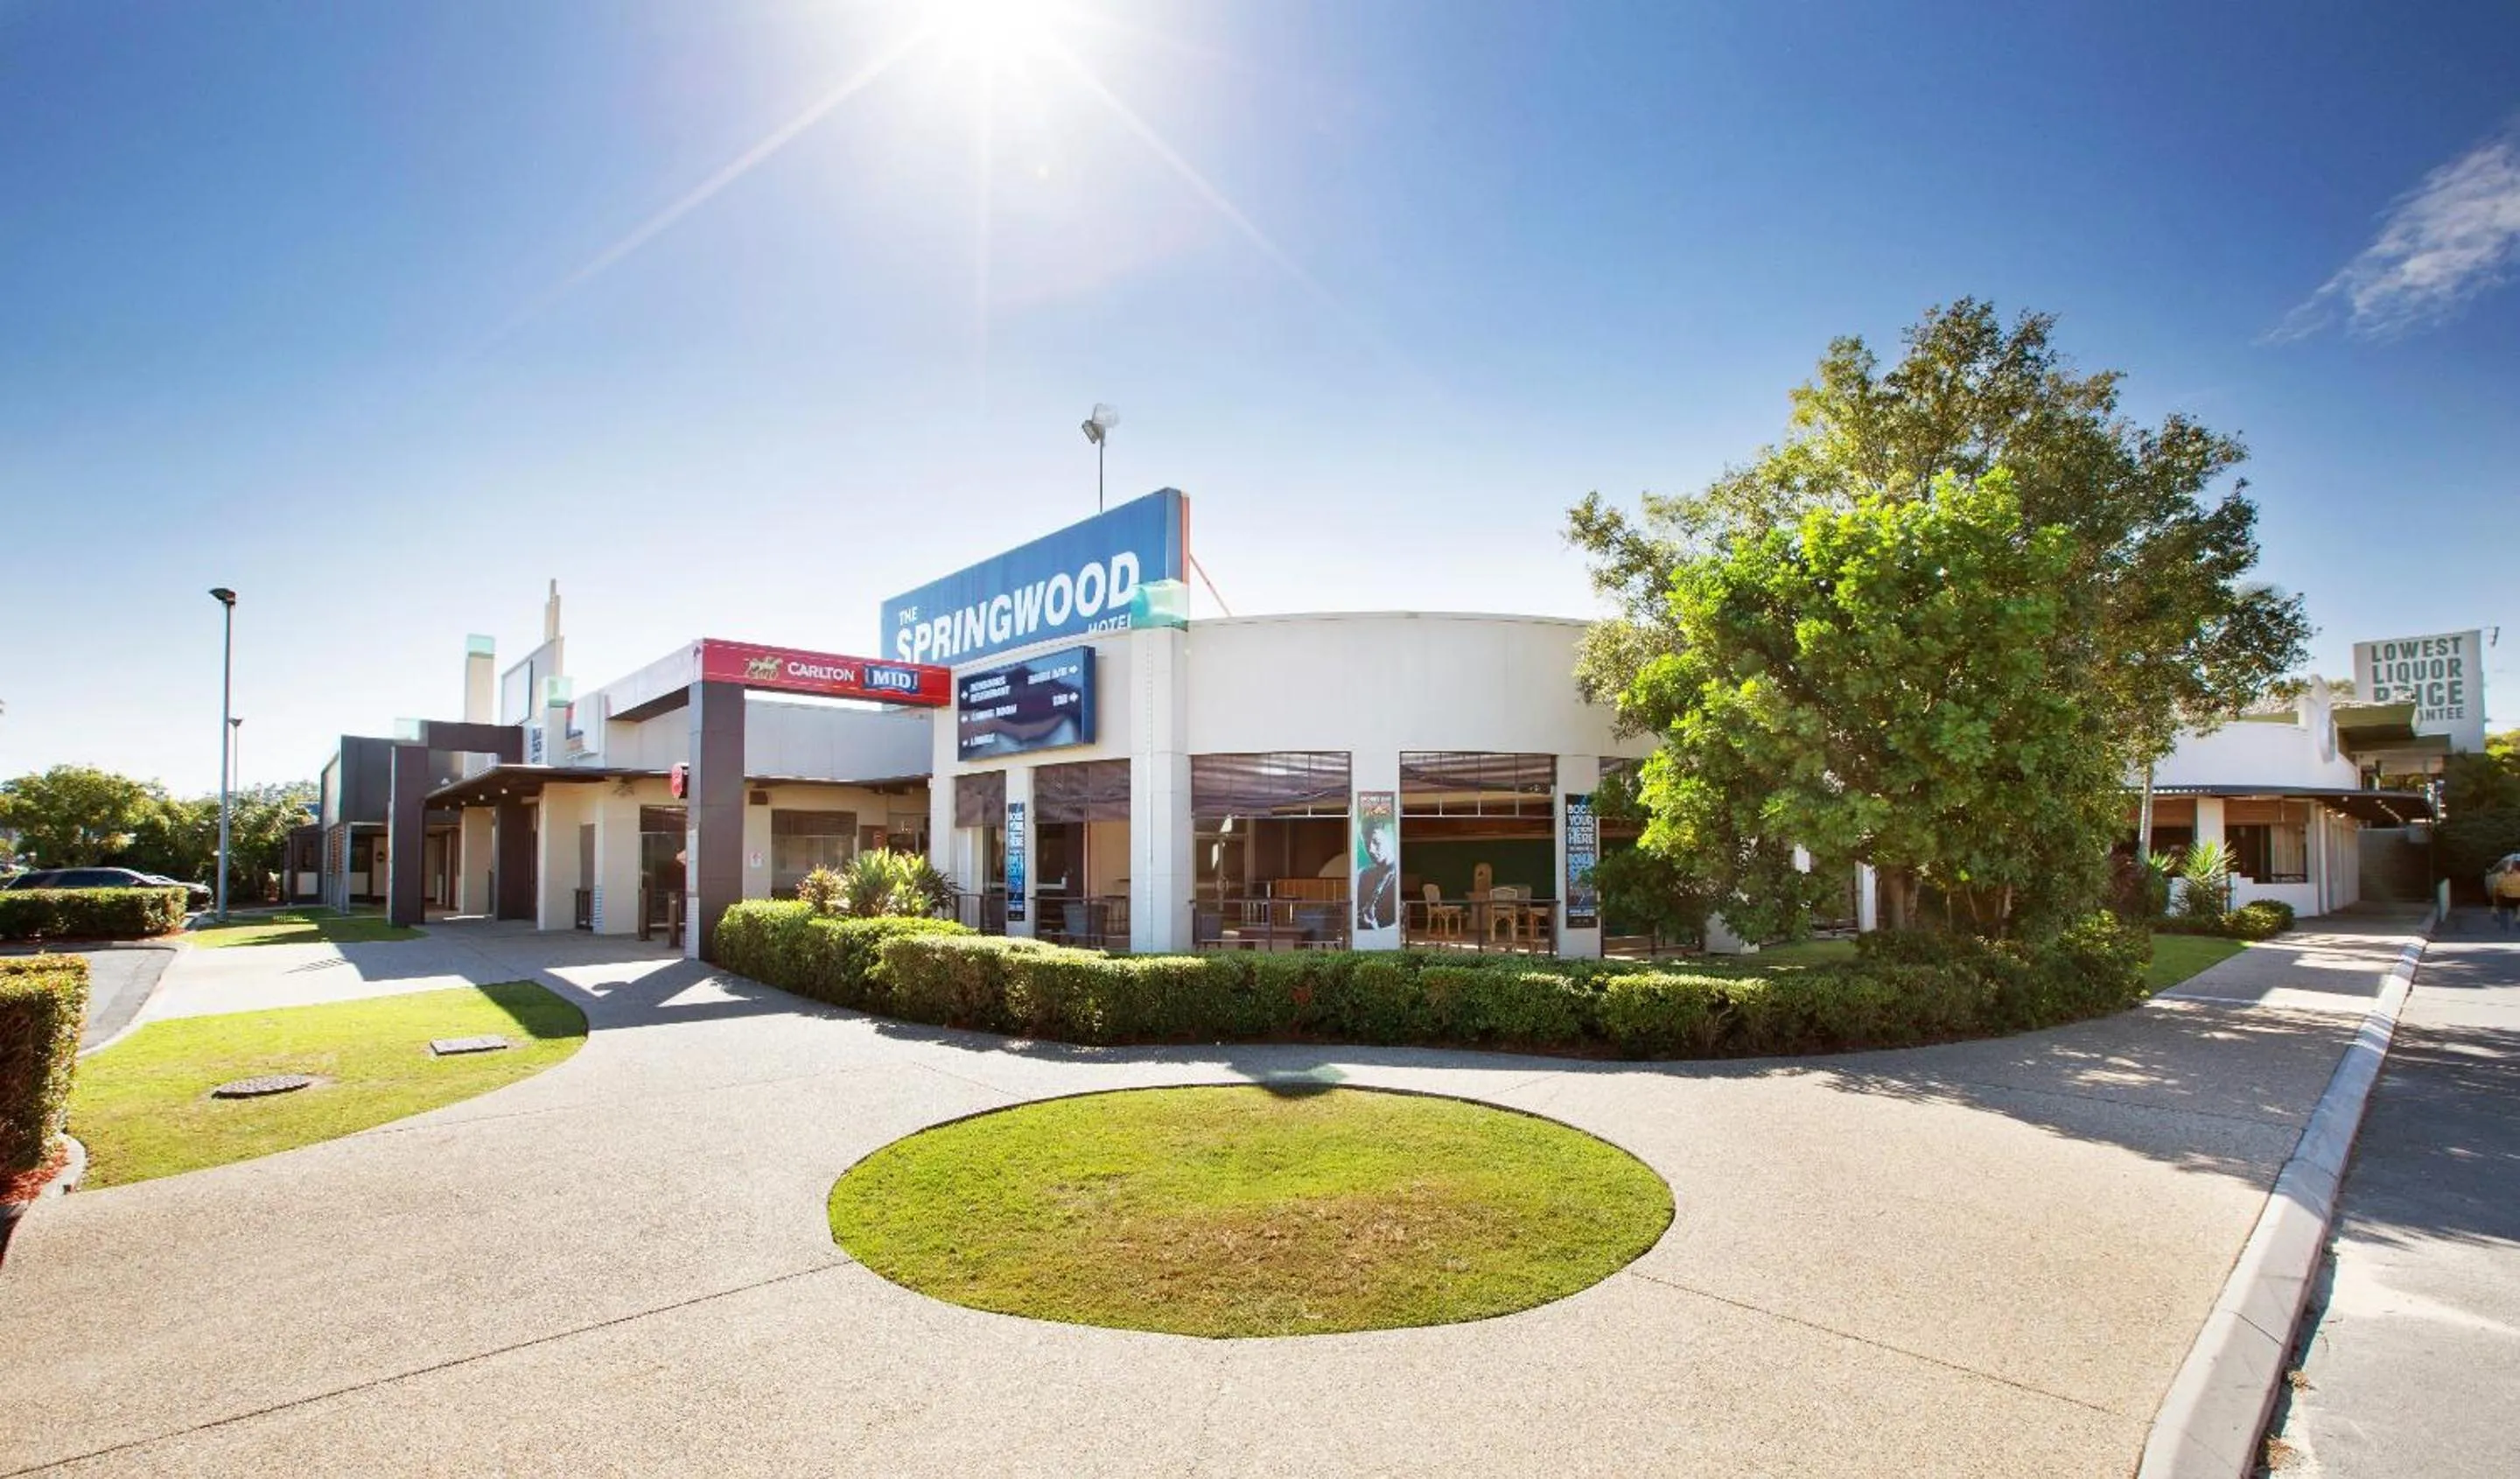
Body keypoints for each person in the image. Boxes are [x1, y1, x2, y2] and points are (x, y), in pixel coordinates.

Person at [1355, 818, 1398, 931]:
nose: (1371, 850)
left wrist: (1376, 930)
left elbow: (1402, 924)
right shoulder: (1362, 875)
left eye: (1376, 842)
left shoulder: (1399, 876)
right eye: (1366, 843)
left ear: (1391, 837)